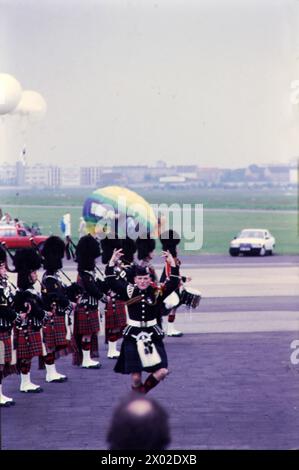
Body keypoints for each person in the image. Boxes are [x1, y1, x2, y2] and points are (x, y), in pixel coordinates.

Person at [105, 247, 180, 394]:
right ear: (134, 280)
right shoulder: (129, 291)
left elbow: (173, 283)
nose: (143, 282)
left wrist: (173, 265)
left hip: (153, 334)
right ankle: (138, 395)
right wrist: (112, 262)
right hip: (133, 335)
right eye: (139, 279)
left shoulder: (157, 291)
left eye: (145, 278)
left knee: (163, 371)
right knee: (135, 378)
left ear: (150, 279)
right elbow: (110, 280)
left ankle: (140, 395)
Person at [40, 236, 79, 382]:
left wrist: (71, 289)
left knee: (54, 345)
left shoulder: (54, 275)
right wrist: (69, 303)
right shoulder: (49, 277)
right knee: (50, 346)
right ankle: (50, 374)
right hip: (52, 315)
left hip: (57, 315)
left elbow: (60, 292)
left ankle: (52, 371)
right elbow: (54, 295)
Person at [13, 248, 50, 393]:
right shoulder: (23, 293)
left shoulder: (30, 290)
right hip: (25, 327)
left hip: (32, 327)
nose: (36, 275)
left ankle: (27, 381)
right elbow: (35, 309)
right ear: (27, 275)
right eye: (33, 272)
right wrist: (44, 314)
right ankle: (24, 383)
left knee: (28, 356)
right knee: (25, 356)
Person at [73, 234, 105, 369]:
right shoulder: (85, 275)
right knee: (86, 335)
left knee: (90, 334)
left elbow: (96, 286)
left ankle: (87, 358)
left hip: (90, 307)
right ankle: (86, 359)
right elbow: (92, 290)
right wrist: (103, 297)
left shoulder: (87, 273)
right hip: (86, 307)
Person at [101, 237, 128, 359]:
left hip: (120, 298)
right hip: (113, 299)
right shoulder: (109, 268)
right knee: (113, 326)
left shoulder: (119, 267)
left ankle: (114, 349)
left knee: (118, 326)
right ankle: (111, 350)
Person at [160, 230, 191, 337]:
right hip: (170, 283)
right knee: (170, 306)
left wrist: (182, 279)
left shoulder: (173, 259)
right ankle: (169, 328)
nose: (178, 249)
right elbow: (169, 274)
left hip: (174, 283)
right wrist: (182, 279)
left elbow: (175, 272)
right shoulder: (170, 260)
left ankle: (169, 328)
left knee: (174, 307)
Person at [0, 245, 18, 406]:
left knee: (2, 363)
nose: (4, 268)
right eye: (1, 266)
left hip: (5, 329)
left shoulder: (4, 284)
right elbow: (3, 308)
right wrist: (16, 316)